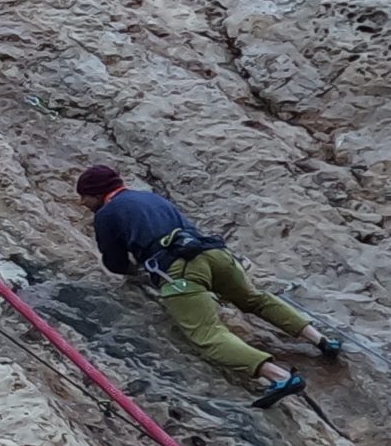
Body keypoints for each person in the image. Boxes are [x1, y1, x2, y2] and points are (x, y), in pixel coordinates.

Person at [76, 164, 341, 408]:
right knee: (254, 299)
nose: (82, 203)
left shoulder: (107, 214)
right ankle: (321, 340)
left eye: (84, 197)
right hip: (214, 254)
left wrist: (140, 274)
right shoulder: (150, 196)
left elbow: (115, 261)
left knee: (207, 334)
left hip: (178, 269)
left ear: (97, 193)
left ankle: (279, 376)